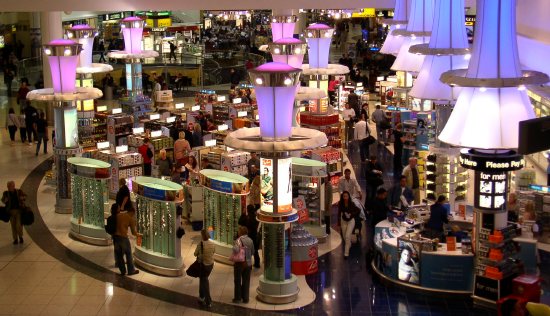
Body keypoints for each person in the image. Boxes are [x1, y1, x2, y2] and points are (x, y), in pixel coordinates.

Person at [112, 205, 139, 276]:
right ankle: (131, 271)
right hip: (123, 238)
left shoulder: (119, 215)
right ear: (132, 212)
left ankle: (122, 271)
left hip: (116, 237)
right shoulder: (130, 219)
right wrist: (139, 235)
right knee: (128, 254)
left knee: (119, 255)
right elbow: (133, 232)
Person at [232, 226, 254, 304]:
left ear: (241, 232)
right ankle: (245, 298)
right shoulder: (250, 240)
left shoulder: (238, 240)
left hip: (239, 264)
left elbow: (236, 250)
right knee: (246, 281)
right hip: (248, 264)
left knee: (237, 281)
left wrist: (234, 244)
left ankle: (238, 298)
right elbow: (252, 252)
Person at [194, 229, 216, 308]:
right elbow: (213, 252)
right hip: (210, 265)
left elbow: (195, 253)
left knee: (205, 282)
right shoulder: (212, 243)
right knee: (202, 279)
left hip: (203, 266)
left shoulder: (200, 244)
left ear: (202, 235)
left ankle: (208, 301)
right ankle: (201, 296)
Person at [338, 191, 360, 259]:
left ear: (348, 197)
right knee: (344, 237)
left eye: (346, 196)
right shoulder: (340, 204)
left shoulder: (352, 204)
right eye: (344, 196)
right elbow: (339, 213)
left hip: (351, 221)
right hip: (343, 221)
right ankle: (349, 244)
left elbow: (358, 210)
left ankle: (346, 253)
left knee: (347, 236)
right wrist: (338, 223)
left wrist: (351, 214)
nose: (345, 198)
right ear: (342, 197)